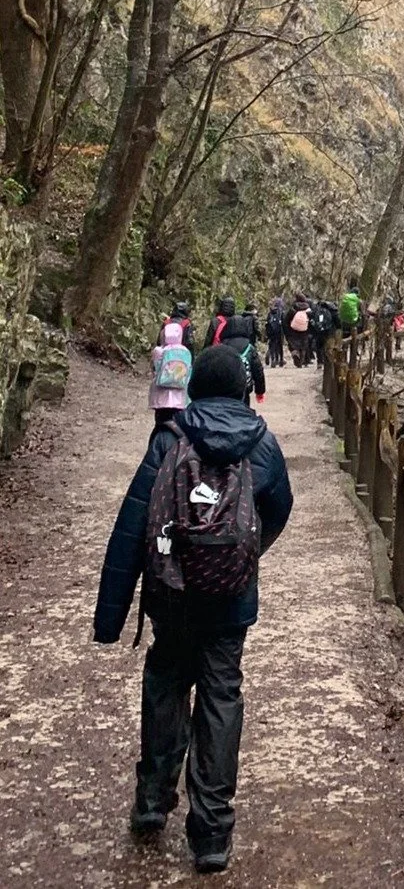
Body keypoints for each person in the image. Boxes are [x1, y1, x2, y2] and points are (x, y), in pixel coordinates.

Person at [93, 345, 294, 874]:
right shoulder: (262, 443)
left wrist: (109, 618)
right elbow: (279, 508)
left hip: (171, 594)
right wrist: (245, 554)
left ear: (194, 389)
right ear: (242, 390)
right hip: (230, 600)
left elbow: (135, 521)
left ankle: (153, 801)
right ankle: (211, 834)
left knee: (166, 680)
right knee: (221, 697)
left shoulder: (169, 439)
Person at [148, 320, 192, 441]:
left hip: (161, 397)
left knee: (160, 425)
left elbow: (154, 369)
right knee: (176, 425)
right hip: (180, 398)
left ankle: (156, 445)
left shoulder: (159, 351)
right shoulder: (186, 352)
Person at [217, 314, 266, 408]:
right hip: (245, 387)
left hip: (226, 388)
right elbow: (258, 371)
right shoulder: (249, 347)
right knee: (244, 408)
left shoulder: (222, 347)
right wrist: (260, 391)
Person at [285, 293, 313, 367]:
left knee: (293, 345)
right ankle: (302, 361)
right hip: (305, 330)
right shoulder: (308, 309)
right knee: (303, 346)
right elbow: (311, 320)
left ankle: (295, 354)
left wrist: (288, 329)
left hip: (293, 330)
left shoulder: (293, 308)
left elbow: (286, 319)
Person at [265, 298, 285, 368]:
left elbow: (267, 324)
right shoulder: (281, 312)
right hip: (279, 332)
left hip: (271, 333)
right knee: (280, 346)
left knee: (272, 346)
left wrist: (266, 334)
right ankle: (281, 360)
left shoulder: (270, 313)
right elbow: (284, 324)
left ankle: (273, 360)